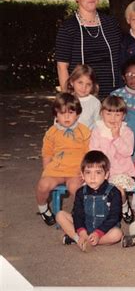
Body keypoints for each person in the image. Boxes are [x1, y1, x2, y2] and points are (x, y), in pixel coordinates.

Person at [55, 0, 122, 98]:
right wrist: (67, 99)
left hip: (111, 95)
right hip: (81, 95)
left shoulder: (111, 24)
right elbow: (62, 66)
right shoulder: (68, 27)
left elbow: (120, 58)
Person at [36, 93, 91, 226]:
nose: (66, 117)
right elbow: (47, 152)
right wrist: (47, 170)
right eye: (62, 113)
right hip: (57, 169)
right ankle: (43, 208)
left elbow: (88, 152)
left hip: (76, 170)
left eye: (71, 113)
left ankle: (78, 212)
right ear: (56, 115)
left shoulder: (84, 131)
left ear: (77, 114)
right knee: (43, 185)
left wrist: (85, 171)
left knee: (75, 188)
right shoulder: (51, 132)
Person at [56, 150, 123, 251]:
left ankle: (82, 241)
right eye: (88, 172)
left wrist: (98, 233)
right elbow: (77, 214)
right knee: (60, 215)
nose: (92, 177)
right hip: (85, 226)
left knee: (117, 234)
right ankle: (79, 238)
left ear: (106, 175)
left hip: (104, 229)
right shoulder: (80, 192)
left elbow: (114, 217)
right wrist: (82, 231)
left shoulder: (114, 192)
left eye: (98, 172)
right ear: (82, 175)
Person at [89, 95, 135, 224]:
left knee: (118, 190)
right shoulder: (97, 131)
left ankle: (124, 206)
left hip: (122, 171)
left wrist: (116, 137)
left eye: (117, 115)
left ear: (123, 116)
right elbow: (93, 152)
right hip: (102, 171)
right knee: (93, 187)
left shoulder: (127, 132)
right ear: (101, 114)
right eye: (108, 114)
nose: (113, 118)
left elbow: (128, 152)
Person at [66, 64, 101, 129]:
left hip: (88, 138)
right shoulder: (66, 100)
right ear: (72, 82)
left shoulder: (95, 102)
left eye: (88, 84)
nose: (84, 87)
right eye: (80, 83)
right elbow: (58, 121)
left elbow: (98, 124)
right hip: (67, 137)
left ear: (92, 86)